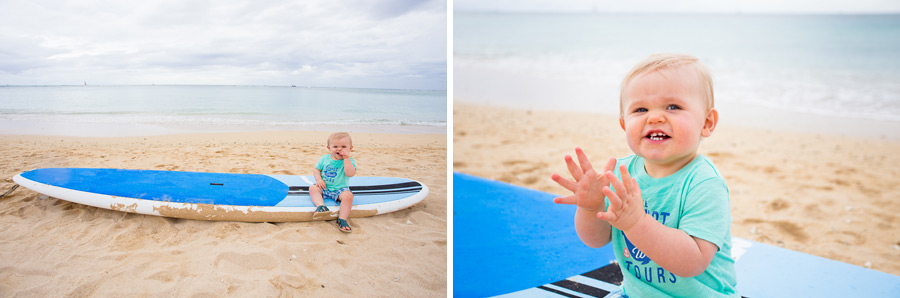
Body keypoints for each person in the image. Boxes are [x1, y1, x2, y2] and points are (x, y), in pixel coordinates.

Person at [551, 53, 738, 297]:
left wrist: (636, 224)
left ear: (707, 122)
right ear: (624, 124)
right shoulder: (623, 173)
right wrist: (590, 208)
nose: (655, 117)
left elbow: (693, 262)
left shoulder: (704, 183)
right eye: (640, 109)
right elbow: (596, 240)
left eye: (673, 106)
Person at [311, 132, 357, 233]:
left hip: (340, 189)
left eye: (344, 146)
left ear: (350, 148)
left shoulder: (350, 161)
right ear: (329, 148)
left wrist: (346, 158)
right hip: (325, 187)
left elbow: (350, 173)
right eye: (335, 146)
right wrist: (319, 179)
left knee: (348, 196)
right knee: (313, 188)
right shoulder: (324, 158)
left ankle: (342, 219)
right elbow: (316, 169)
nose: (339, 149)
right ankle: (321, 206)